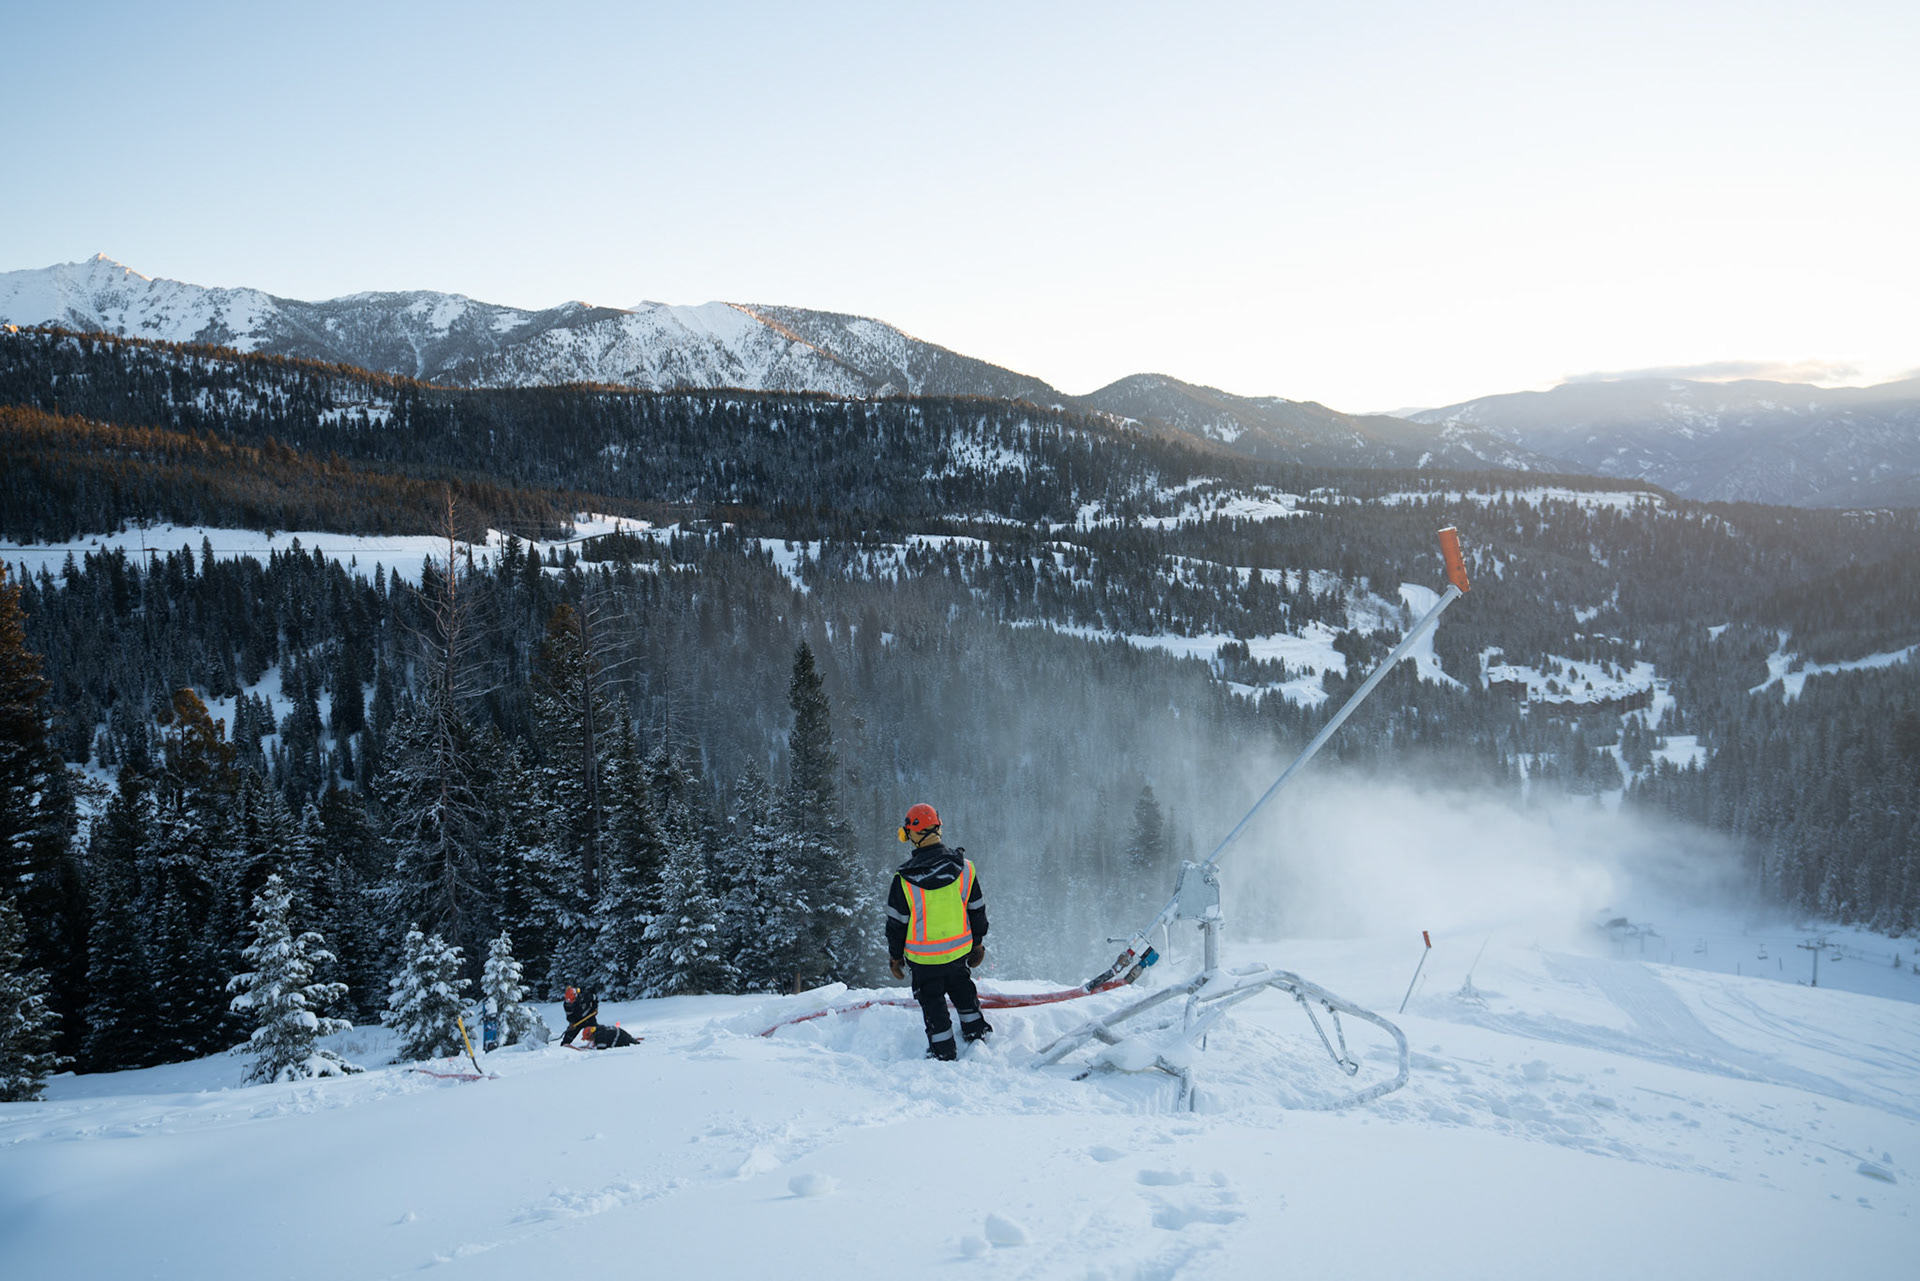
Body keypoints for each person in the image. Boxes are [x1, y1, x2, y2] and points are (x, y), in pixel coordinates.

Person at [885, 803, 990, 1060]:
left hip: (924, 961)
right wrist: (977, 943)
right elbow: (976, 910)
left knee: (932, 1003)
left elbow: (896, 925)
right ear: (938, 828)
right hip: (958, 954)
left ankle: (943, 1051)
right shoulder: (965, 868)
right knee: (963, 992)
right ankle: (977, 1034)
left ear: (911, 834)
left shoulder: (903, 879)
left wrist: (895, 957)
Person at [560, 984, 640, 1049]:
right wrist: (572, 1023)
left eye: (573, 999)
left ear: (577, 995)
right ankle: (564, 1046)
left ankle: (598, 1042)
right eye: (570, 1001)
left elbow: (595, 999)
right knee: (569, 1034)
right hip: (577, 1021)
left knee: (597, 1032)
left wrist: (595, 1008)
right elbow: (569, 1015)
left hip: (589, 1018)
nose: (572, 1002)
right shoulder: (567, 1005)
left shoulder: (586, 995)